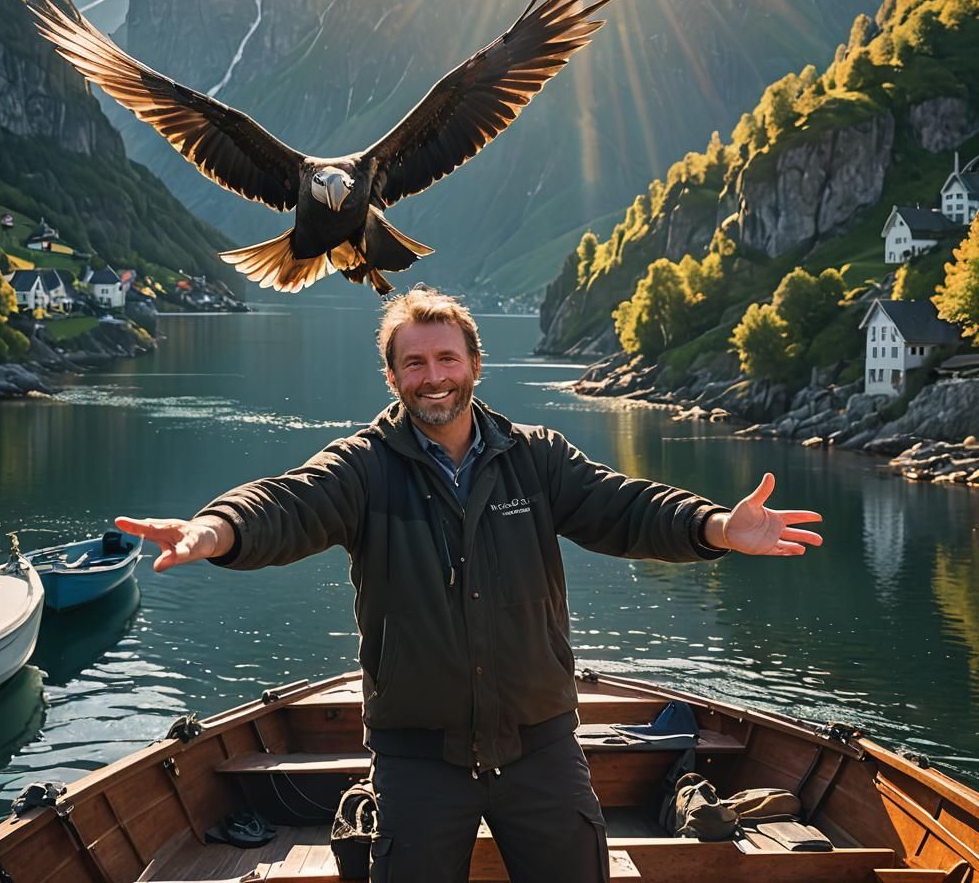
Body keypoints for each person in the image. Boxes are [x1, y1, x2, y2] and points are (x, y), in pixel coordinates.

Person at [116, 286, 823, 883]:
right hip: (418, 757)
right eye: (414, 363)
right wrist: (215, 530)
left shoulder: (535, 458)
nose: (434, 377)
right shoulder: (364, 468)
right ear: (393, 377)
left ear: (475, 365)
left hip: (540, 746)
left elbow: (625, 508)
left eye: (446, 358)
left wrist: (714, 526)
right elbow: (287, 503)